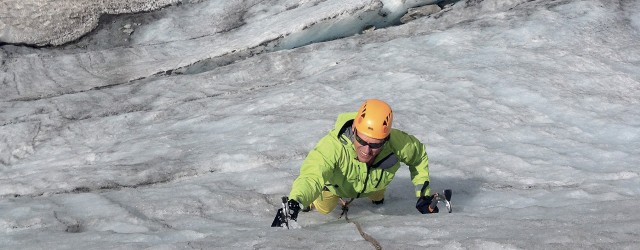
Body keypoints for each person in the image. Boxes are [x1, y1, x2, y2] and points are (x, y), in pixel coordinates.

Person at [282, 99, 438, 223]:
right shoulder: (332, 146)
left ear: (386, 139)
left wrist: (423, 195)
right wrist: (296, 201)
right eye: (361, 141)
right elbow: (311, 176)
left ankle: (375, 195)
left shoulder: (398, 143)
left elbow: (418, 157)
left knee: (378, 196)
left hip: (375, 183)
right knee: (324, 209)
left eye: (376, 144)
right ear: (354, 130)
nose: (367, 150)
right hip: (336, 187)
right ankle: (312, 200)